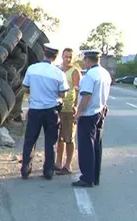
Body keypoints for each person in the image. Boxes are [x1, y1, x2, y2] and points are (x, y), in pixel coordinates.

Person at [20, 44, 70, 180]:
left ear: (44, 53)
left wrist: (36, 92)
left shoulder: (32, 69)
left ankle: (25, 169)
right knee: (50, 142)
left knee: (30, 140)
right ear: (56, 57)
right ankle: (48, 171)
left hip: (35, 109)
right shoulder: (59, 73)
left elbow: (25, 89)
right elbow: (63, 94)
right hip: (51, 110)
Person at [72, 50, 111, 187]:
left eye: (84, 60)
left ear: (88, 60)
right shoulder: (105, 74)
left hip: (89, 114)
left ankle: (87, 178)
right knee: (96, 145)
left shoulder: (89, 75)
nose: (84, 63)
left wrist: (78, 113)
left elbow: (87, 96)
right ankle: (95, 177)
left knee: (86, 146)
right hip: (100, 111)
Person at [55, 48, 81, 175]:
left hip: (70, 110)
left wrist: (76, 106)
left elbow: (77, 91)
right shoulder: (59, 71)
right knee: (59, 138)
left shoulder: (75, 72)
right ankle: (58, 163)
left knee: (69, 138)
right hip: (59, 108)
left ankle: (68, 165)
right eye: (66, 56)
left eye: (70, 57)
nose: (68, 59)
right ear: (62, 57)